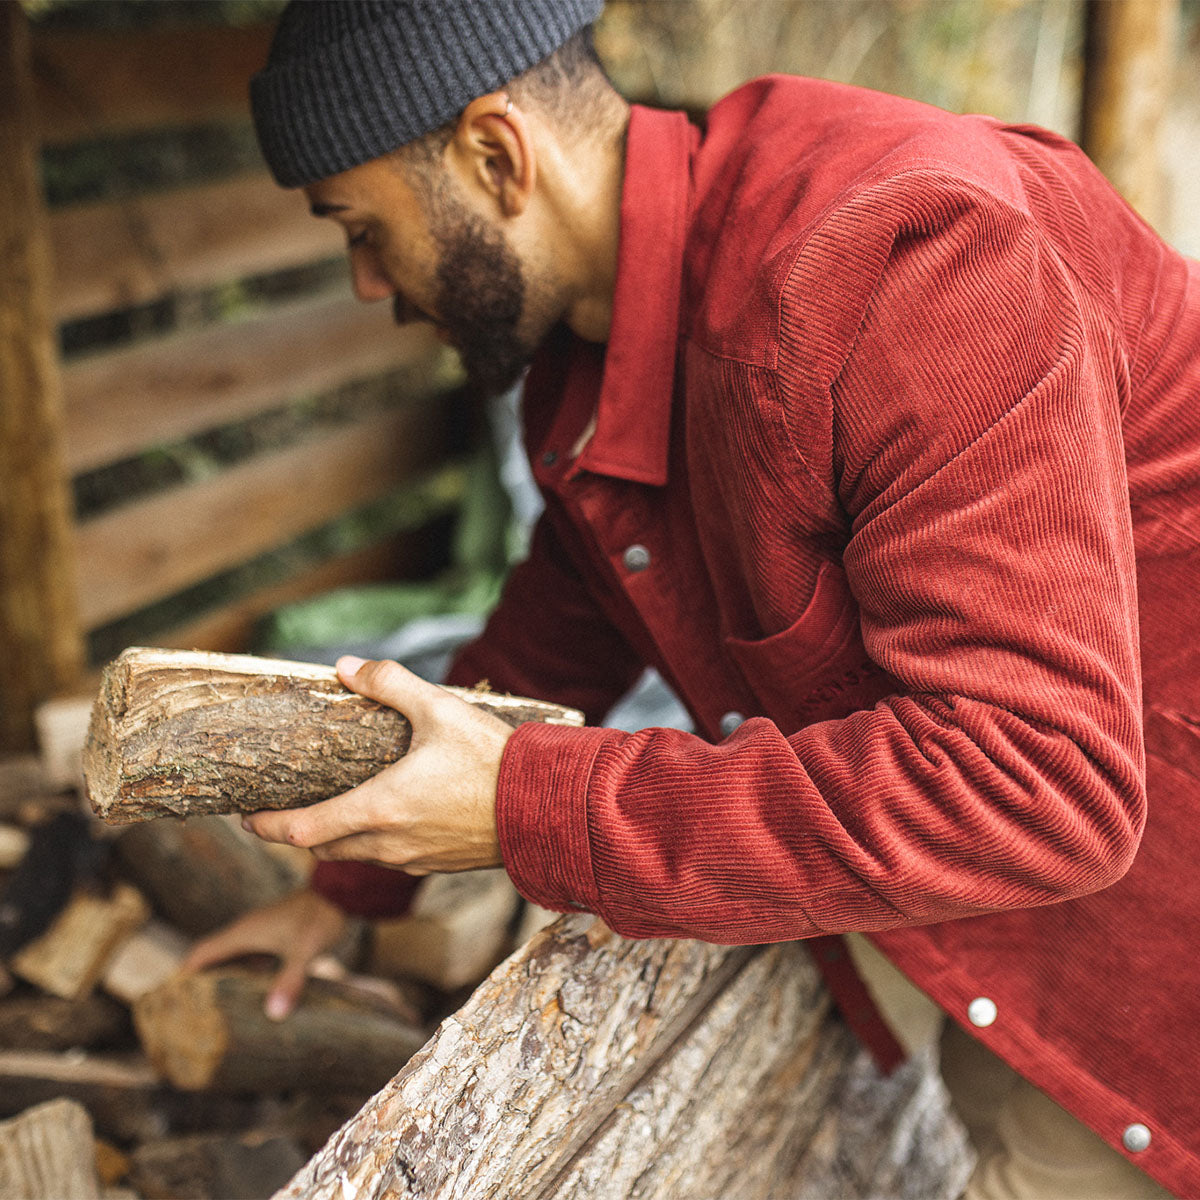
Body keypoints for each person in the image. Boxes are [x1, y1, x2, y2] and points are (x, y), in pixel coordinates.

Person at [186, 2, 1200, 1196]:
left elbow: (1039, 784)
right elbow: (555, 629)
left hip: (1159, 937)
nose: (366, 283)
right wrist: (346, 890)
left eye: (365, 228)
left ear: (496, 155)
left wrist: (531, 804)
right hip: (994, 918)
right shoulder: (590, 359)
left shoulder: (904, 260)